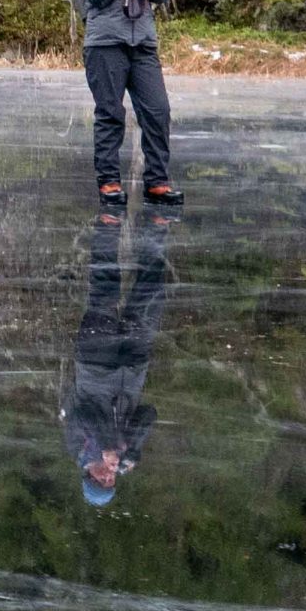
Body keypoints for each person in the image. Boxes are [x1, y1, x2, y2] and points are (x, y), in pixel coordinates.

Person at [77, 0, 179, 206]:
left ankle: (157, 182)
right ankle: (109, 182)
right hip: (105, 44)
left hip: (143, 43)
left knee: (158, 111)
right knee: (111, 114)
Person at [65, 210, 171, 507]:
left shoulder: (78, 448)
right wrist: (132, 448)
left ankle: (108, 224)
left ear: (89, 476)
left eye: (102, 480)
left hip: (96, 360)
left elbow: (81, 416)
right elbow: (148, 413)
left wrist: (106, 447)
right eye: (110, 482)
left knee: (105, 288)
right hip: (132, 367)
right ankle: (156, 226)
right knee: (151, 292)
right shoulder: (120, 458)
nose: (109, 476)